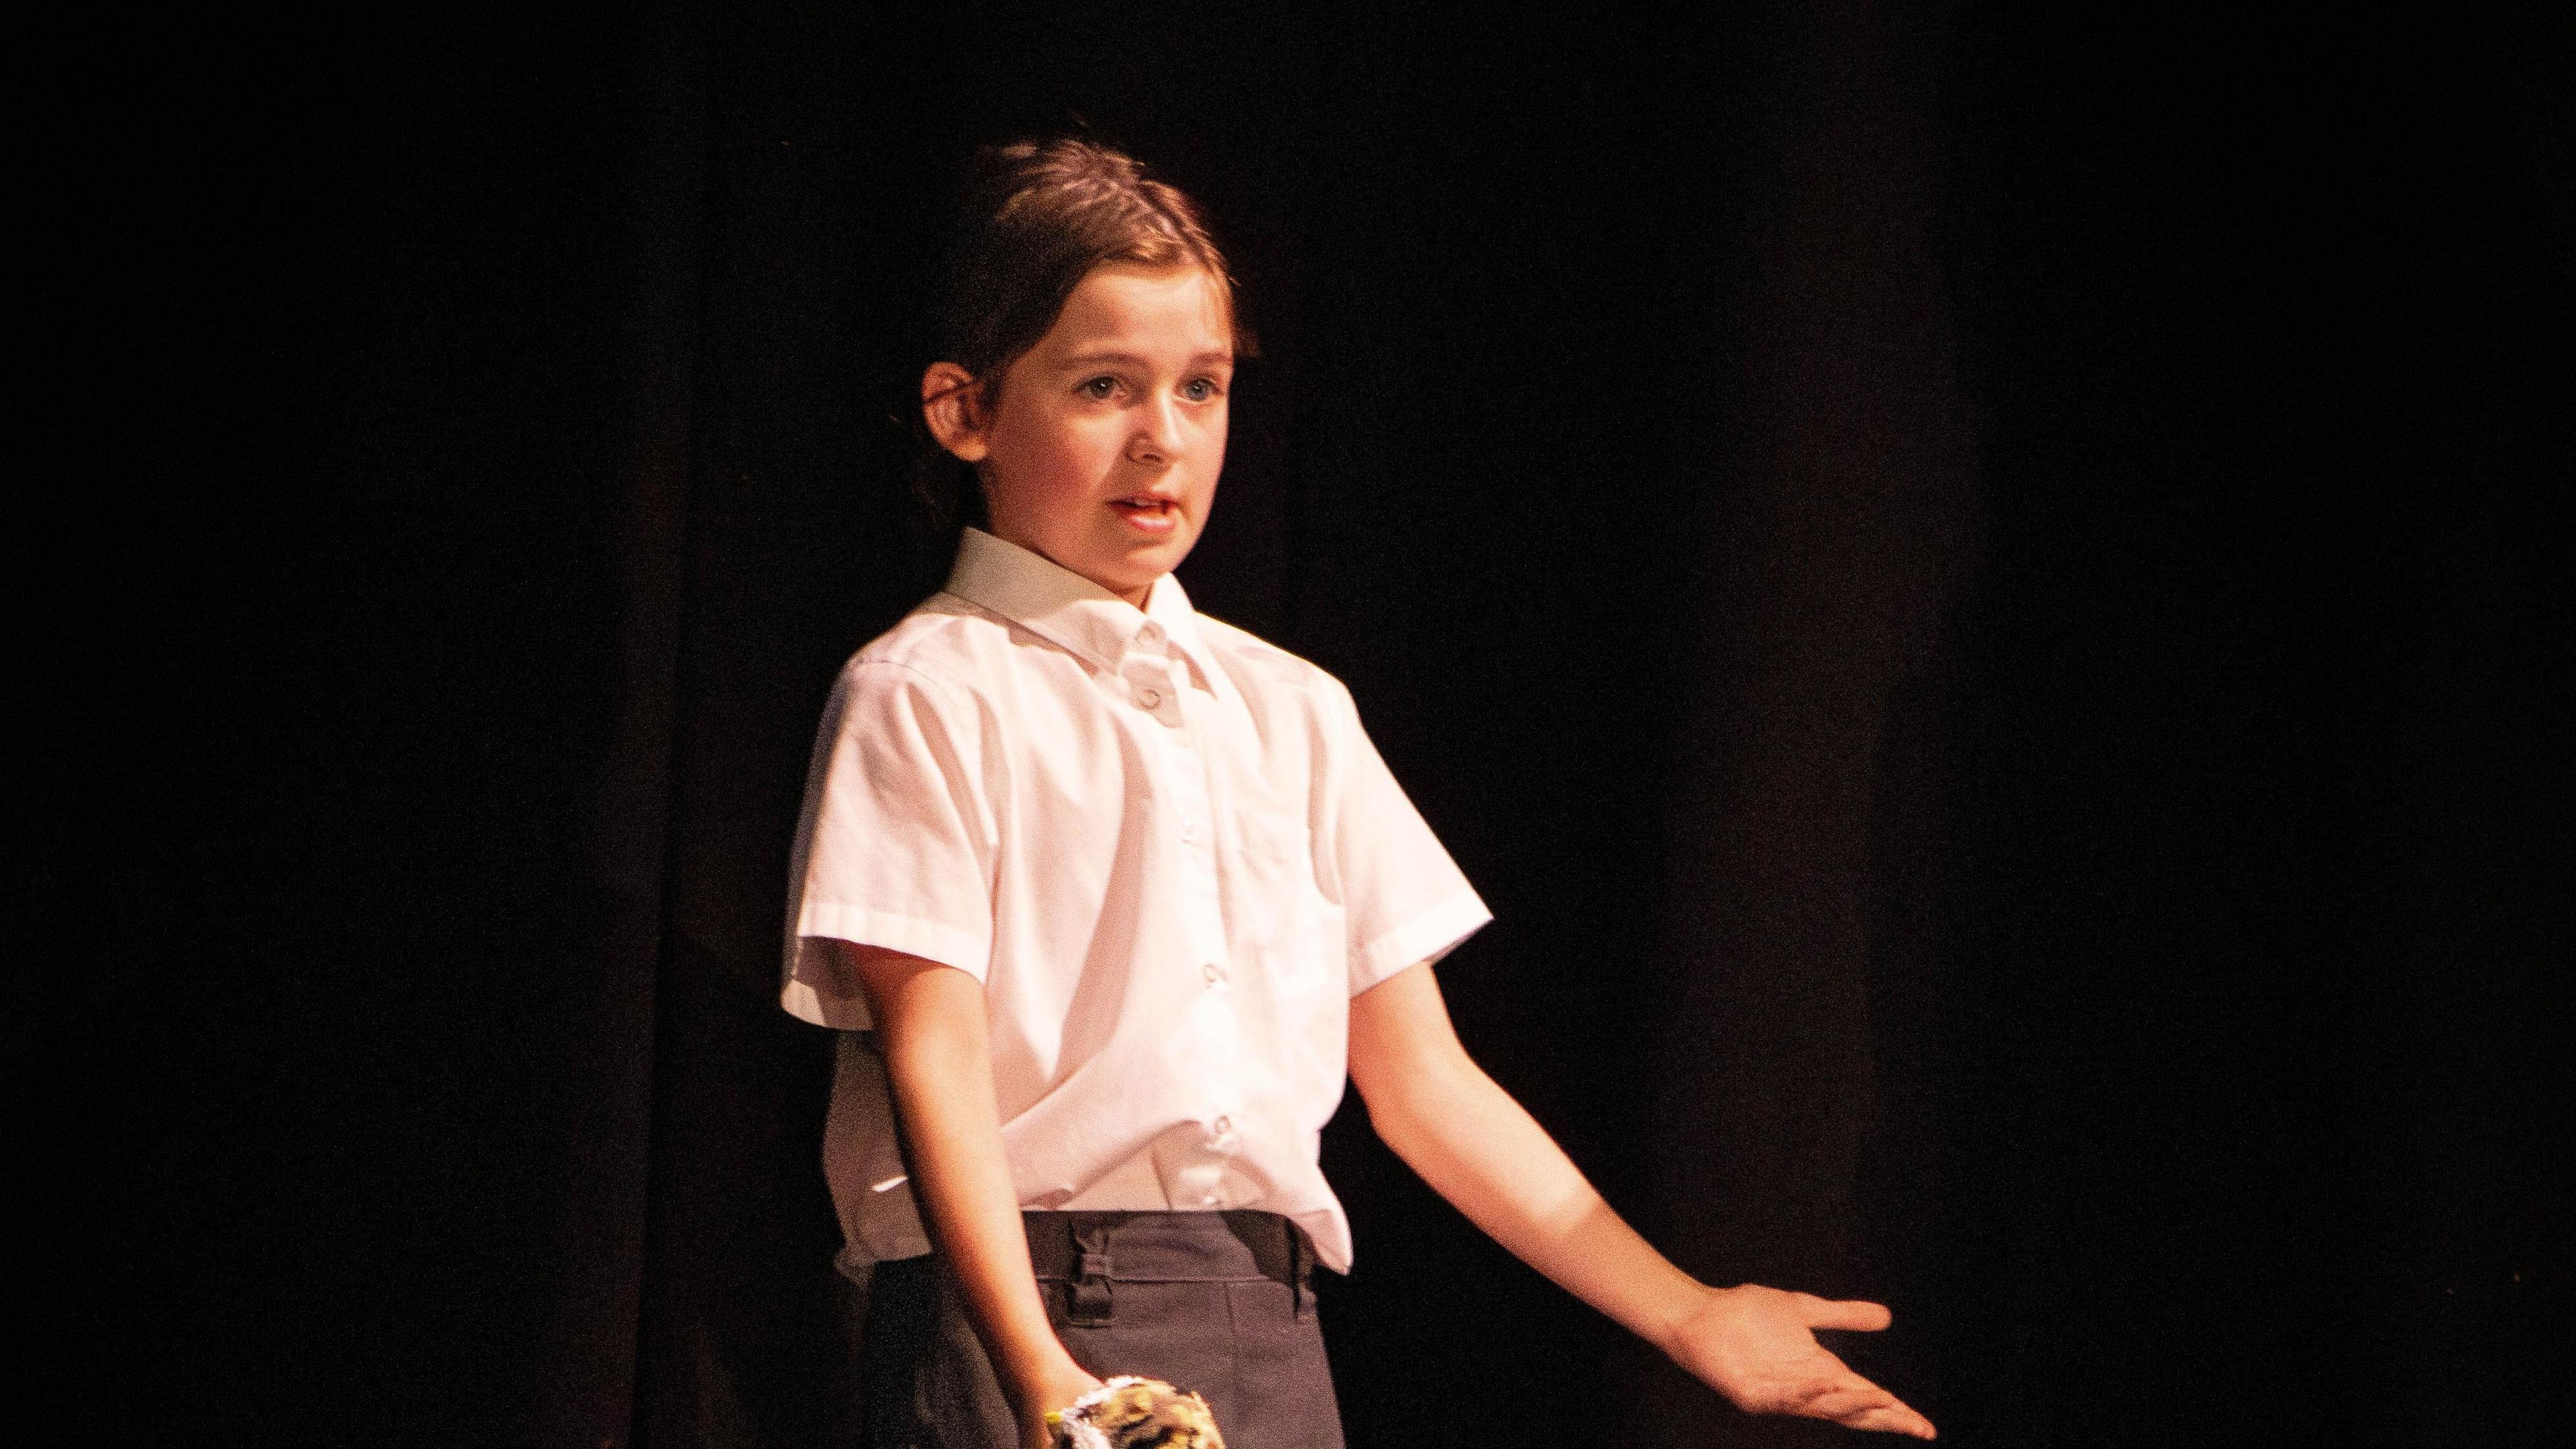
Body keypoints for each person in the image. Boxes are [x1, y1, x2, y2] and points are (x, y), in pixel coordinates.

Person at [782, 138, 1936, 1449]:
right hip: (1025, 1308)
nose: (1161, 438)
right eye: (1104, 386)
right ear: (965, 411)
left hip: (1265, 1319)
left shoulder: (1290, 710)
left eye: (1201, 388)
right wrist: (1042, 1372)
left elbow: (1423, 1081)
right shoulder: (929, 690)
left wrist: (1683, 1312)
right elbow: (935, 1056)